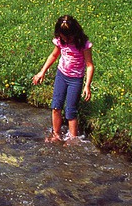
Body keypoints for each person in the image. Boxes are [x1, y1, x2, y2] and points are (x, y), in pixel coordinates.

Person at [32, 14, 94, 143]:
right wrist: (42, 72)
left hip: (75, 80)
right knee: (56, 106)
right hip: (61, 75)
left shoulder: (83, 45)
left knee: (70, 110)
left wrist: (87, 85)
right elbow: (54, 56)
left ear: (75, 33)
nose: (66, 40)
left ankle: (72, 139)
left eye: (69, 37)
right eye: (63, 37)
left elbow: (89, 65)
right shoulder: (60, 41)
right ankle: (56, 134)